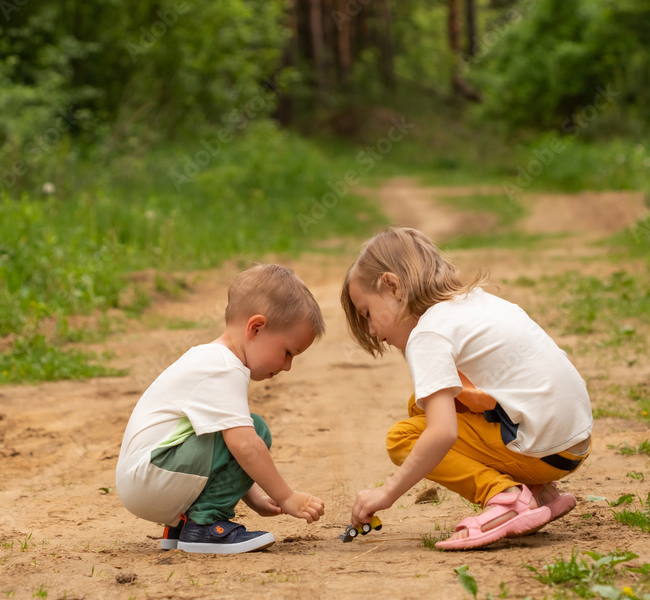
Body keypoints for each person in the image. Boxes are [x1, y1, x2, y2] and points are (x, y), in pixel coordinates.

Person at [340, 227, 592, 551]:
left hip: (542, 448)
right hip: (573, 442)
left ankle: (507, 499)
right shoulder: (476, 303)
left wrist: (386, 492)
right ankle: (539, 491)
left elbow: (443, 434)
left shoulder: (428, 334)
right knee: (423, 407)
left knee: (405, 436)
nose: (372, 331)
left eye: (368, 314)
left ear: (392, 286)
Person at [116, 264, 326, 554]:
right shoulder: (223, 368)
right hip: (152, 478)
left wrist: (253, 498)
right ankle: (205, 526)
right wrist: (287, 497)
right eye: (288, 352)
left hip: (145, 482)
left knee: (240, 431)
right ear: (256, 327)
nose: (288, 366)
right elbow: (244, 447)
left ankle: (185, 523)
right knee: (256, 431)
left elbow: (222, 453)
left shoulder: (210, 359)